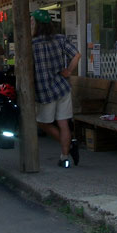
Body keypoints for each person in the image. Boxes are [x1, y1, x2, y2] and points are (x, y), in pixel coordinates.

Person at [31, 9, 81, 168]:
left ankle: (68, 145)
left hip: (44, 90)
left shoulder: (31, 44)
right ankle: (64, 156)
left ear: (36, 25)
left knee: (43, 123)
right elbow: (77, 55)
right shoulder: (60, 39)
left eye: (32, 22)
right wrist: (69, 71)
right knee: (63, 122)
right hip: (62, 87)